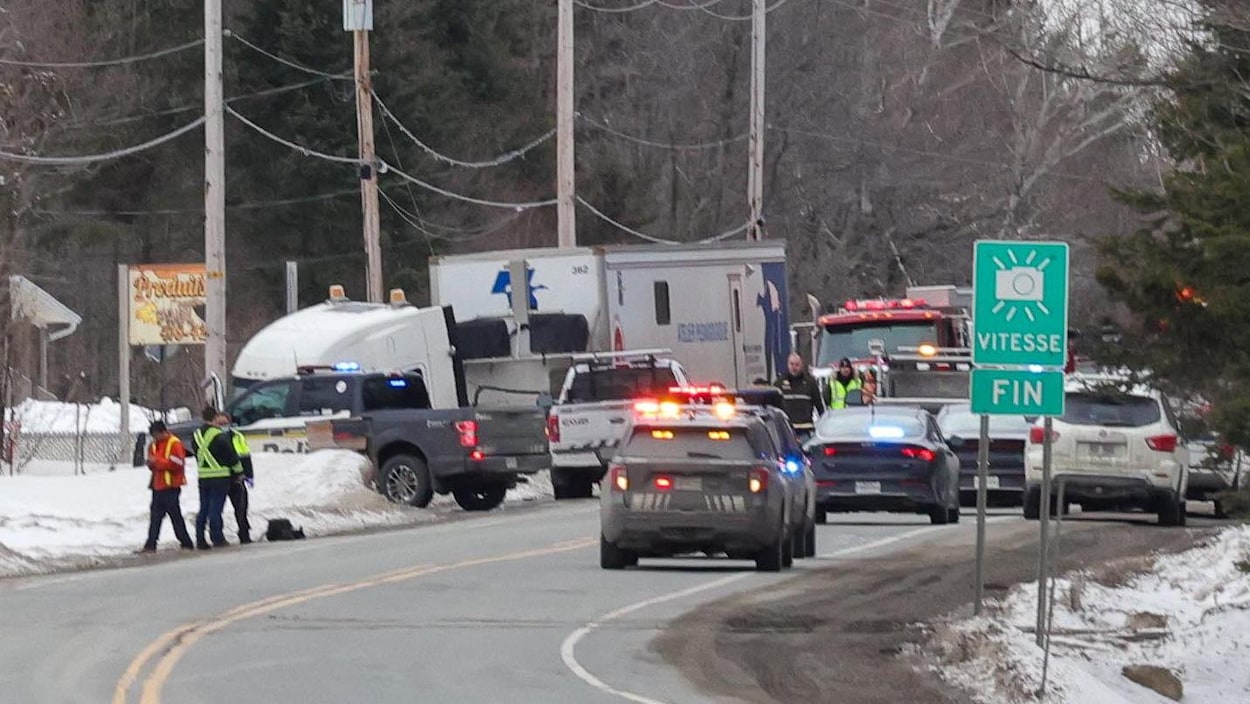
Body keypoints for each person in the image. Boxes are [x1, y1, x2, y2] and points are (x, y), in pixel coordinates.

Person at [191, 410, 241, 550]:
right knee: (215, 510)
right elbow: (231, 456)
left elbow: (197, 454)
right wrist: (238, 472)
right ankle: (217, 538)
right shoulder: (219, 435)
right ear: (215, 418)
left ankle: (200, 539)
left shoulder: (196, 435)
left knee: (203, 509)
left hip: (203, 478)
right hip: (220, 478)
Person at [142, 421, 194, 552]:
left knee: (175, 516)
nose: (155, 438)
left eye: (156, 435)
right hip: (157, 486)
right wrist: (150, 463)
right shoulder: (153, 445)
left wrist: (157, 461)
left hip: (171, 486)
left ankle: (186, 542)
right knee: (155, 517)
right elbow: (153, 463)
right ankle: (150, 544)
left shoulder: (174, 443)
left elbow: (178, 463)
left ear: (163, 432)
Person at [223, 413, 254, 544]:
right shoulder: (215, 438)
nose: (223, 426)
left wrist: (249, 475)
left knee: (241, 508)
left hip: (238, 477)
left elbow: (246, 456)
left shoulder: (238, 436)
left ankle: (244, 534)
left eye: (224, 423)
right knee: (217, 509)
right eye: (220, 423)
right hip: (222, 476)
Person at [776, 353, 825, 435]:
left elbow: (819, 406)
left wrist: (823, 426)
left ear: (801, 365)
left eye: (797, 365)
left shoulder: (810, 383)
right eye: (791, 364)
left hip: (805, 430)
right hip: (787, 431)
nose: (794, 367)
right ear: (788, 364)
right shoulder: (779, 383)